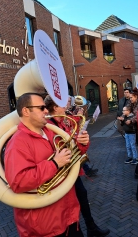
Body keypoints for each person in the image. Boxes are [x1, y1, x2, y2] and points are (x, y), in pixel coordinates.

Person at [4, 92, 84, 237]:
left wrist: (82, 144)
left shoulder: (50, 131)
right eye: (41, 108)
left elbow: (71, 154)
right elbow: (19, 181)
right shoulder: (17, 143)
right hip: (45, 225)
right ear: (26, 111)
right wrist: (54, 164)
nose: (46, 110)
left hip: (68, 214)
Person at [44, 95, 110, 237]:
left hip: (70, 170)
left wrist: (82, 142)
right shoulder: (50, 126)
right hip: (62, 173)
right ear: (55, 107)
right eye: (64, 104)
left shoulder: (62, 122)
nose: (67, 106)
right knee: (77, 200)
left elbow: (74, 146)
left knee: (81, 198)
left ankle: (90, 228)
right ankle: (88, 228)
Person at [66, 96, 98, 178]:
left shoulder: (69, 111)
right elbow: (70, 122)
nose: (70, 103)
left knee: (80, 156)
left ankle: (86, 170)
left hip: (75, 136)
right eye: (68, 101)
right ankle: (86, 171)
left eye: (70, 101)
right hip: (70, 139)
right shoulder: (65, 113)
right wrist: (78, 116)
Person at [128, 88, 138, 178]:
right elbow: (127, 109)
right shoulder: (132, 103)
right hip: (136, 129)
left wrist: (131, 120)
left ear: (136, 96)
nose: (130, 99)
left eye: (131, 97)